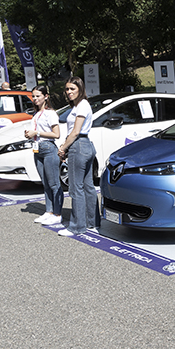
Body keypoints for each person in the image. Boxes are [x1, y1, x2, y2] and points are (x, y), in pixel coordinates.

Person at [57, 77, 98, 236]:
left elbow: (75, 131)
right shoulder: (81, 105)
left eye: (72, 89)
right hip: (85, 145)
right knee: (88, 186)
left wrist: (63, 148)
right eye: (67, 89)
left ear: (80, 89)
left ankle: (77, 227)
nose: (69, 92)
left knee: (76, 188)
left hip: (79, 145)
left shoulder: (82, 105)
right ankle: (91, 223)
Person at [26, 85, 63, 225]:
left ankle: (58, 214)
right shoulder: (36, 114)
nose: (35, 99)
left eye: (38, 96)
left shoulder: (50, 113)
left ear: (46, 97)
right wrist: (29, 134)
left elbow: (56, 134)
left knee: (54, 183)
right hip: (37, 149)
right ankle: (49, 211)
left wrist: (37, 133)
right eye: (33, 96)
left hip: (48, 149)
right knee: (45, 183)